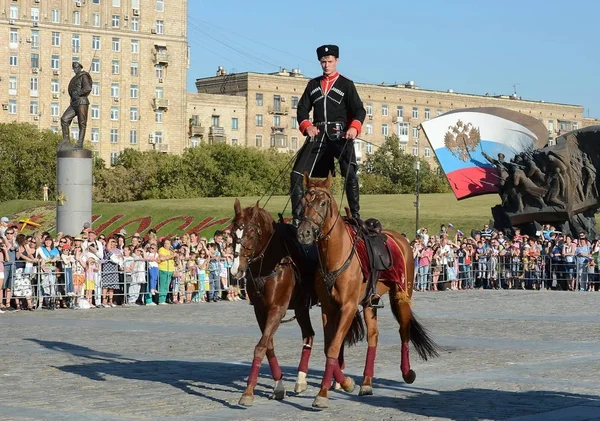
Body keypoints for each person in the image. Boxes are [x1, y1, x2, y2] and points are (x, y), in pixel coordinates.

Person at [290, 44, 366, 224]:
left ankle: (355, 215)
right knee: (296, 174)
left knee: (350, 173)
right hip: (317, 135)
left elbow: (359, 110)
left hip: (340, 136)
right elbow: (302, 109)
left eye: (329, 61)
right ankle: (298, 216)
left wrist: (354, 128)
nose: (326, 65)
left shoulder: (346, 84)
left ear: (336, 61)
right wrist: (307, 126)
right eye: (323, 62)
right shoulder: (313, 84)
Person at [60, 61, 93, 150]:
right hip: (74, 103)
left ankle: (80, 143)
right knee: (64, 119)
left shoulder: (84, 76)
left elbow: (87, 88)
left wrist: (78, 93)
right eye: (74, 68)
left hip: (82, 102)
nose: (75, 69)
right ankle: (66, 140)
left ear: (80, 68)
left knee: (82, 123)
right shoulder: (74, 78)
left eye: (77, 67)